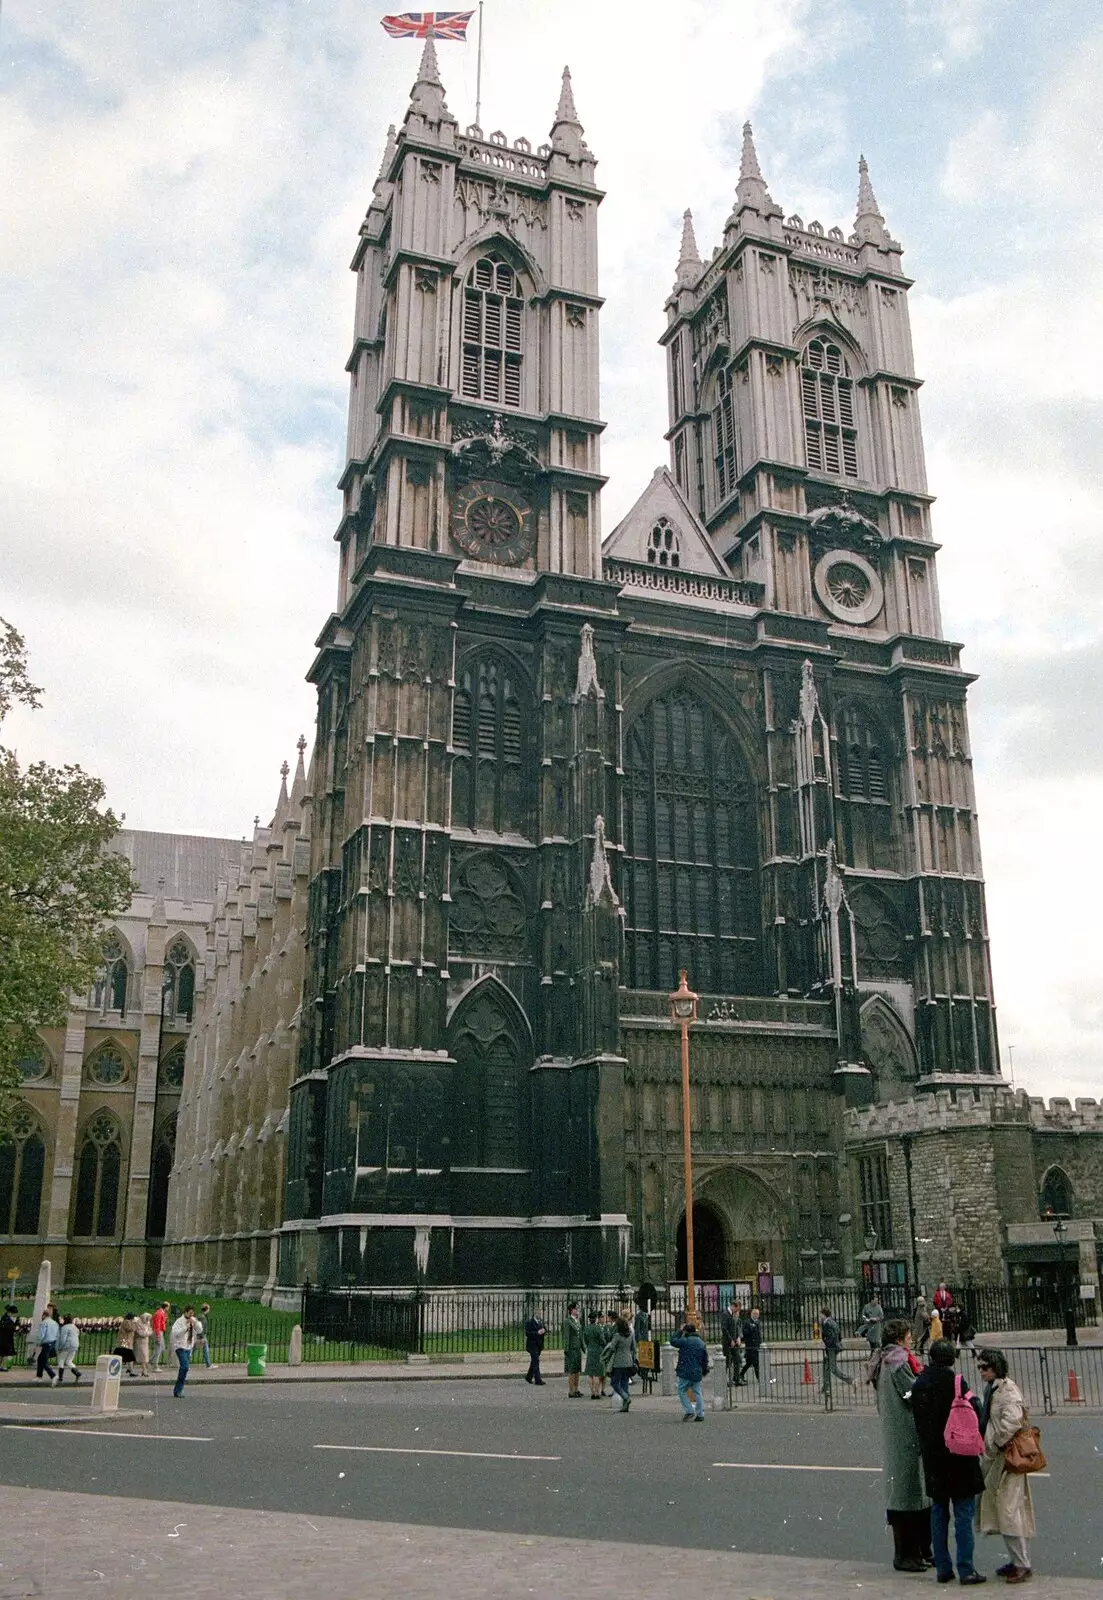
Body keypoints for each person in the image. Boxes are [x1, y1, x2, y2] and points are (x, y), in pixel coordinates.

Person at [911, 1338, 987, 1585]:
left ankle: (943, 1567)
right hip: (958, 1453)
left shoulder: (920, 1383)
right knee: (963, 1511)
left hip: (934, 1455)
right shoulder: (956, 1382)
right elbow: (976, 1407)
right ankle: (966, 1568)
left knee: (939, 1510)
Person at [867, 1317, 932, 1573]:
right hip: (906, 1433)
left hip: (894, 1432)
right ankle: (908, 1555)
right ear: (899, 1338)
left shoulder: (883, 1360)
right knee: (910, 1494)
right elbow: (911, 1394)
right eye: (907, 1335)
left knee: (904, 1493)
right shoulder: (899, 1363)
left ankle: (913, 1552)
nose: (911, 1338)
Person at [976, 1348, 1035, 1585]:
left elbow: (1012, 1421)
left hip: (1008, 1457)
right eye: (980, 1367)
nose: (981, 1372)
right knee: (1005, 1510)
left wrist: (996, 1442)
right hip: (998, 1457)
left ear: (996, 1368)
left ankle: (1022, 1564)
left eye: (985, 1368)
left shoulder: (1008, 1391)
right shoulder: (994, 1388)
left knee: (1009, 1511)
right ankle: (1018, 1560)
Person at [670, 1316, 709, 1422]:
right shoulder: (701, 1343)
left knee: (681, 1390)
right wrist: (704, 1369)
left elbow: (673, 1341)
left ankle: (689, 1410)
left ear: (686, 1331)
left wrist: (679, 1331)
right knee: (697, 1392)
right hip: (697, 1371)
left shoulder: (684, 1341)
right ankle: (700, 1413)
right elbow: (705, 1359)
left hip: (685, 1370)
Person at [602, 1313, 637, 1412]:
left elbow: (612, 1347)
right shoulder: (630, 1335)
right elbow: (634, 1348)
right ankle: (625, 1405)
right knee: (624, 1382)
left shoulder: (617, 1336)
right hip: (628, 1361)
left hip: (618, 1362)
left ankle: (625, 1398)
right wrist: (634, 1359)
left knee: (614, 1382)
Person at [820, 1306, 853, 1392]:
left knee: (833, 1369)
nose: (820, 1316)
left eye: (821, 1314)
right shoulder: (833, 1322)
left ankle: (850, 1380)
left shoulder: (827, 1323)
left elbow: (831, 1336)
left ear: (824, 1314)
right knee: (826, 1366)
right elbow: (839, 1335)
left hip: (831, 1348)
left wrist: (827, 1343)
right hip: (835, 1346)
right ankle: (825, 1386)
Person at [171, 1306, 198, 1398]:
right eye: (190, 1313)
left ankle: (178, 1390)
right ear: (185, 1312)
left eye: (192, 1313)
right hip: (180, 1346)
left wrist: (195, 1324)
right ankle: (178, 1390)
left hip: (188, 1346)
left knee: (185, 1368)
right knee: (184, 1366)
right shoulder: (179, 1321)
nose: (191, 1315)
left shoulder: (193, 1321)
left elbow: (198, 1331)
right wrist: (185, 1328)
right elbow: (175, 1333)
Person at [582, 1310, 605, 1400]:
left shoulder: (586, 1328)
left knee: (590, 1373)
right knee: (597, 1373)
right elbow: (602, 1340)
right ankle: (597, 1392)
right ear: (595, 1319)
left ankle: (592, 1392)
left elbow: (585, 1340)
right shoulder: (598, 1328)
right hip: (598, 1350)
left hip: (590, 1350)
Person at [563, 1301, 583, 1398]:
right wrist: (566, 1348)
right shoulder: (568, 1321)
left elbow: (580, 1334)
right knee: (572, 1370)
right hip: (571, 1348)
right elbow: (566, 1336)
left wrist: (583, 1346)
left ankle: (576, 1389)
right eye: (576, 1309)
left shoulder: (577, 1320)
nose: (577, 1310)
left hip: (577, 1348)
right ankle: (571, 1391)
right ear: (571, 1310)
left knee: (577, 1370)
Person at [55, 1316, 82, 1385]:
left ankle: (60, 1378)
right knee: (69, 1361)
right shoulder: (75, 1327)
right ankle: (77, 1373)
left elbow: (63, 1339)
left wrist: (60, 1347)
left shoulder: (65, 1327)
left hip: (67, 1346)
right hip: (75, 1346)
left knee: (61, 1360)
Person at [523, 1306, 546, 1386]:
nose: (540, 1314)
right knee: (536, 1361)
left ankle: (528, 1377)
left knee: (534, 1361)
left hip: (539, 1345)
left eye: (540, 1313)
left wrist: (544, 1331)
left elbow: (544, 1330)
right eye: (538, 1313)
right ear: (535, 1313)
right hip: (532, 1345)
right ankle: (538, 1380)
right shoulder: (529, 1322)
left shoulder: (541, 1322)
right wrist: (537, 1333)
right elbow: (528, 1333)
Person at [35, 1304, 59, 1382]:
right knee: (40, 1359)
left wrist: (38, 1343)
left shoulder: (44, 1323)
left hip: (46, 1344)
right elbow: (57, 1334)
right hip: (53, 1343)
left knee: (43, 1361)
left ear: (44, 1315)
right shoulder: (54, 1323)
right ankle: (39, 1376)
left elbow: (41, 1335)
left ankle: (53, 1375)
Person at [720, 1302, 743, 1385]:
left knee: (737, 1359)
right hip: (727, 1342)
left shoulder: (734, 1314)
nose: (737, 1311)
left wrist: (738, 1337)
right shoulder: (725, 1314)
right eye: (736, 1309)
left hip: (735, 1342)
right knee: (727, 1362)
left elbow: (738, 1326)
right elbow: (724, 1328)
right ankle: (725, 1380)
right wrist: (730, 1340)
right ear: (733, 1306)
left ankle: (736, 1379)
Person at [739, 1306, 763, 1384]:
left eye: (757, 1314)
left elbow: (759, 1334)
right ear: (751, 1314)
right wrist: (751, 1329)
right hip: (750, 1346)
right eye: (754, 1313)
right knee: (756, 1363)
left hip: (756, 1346)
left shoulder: (758, 1322)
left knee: (749, 1363)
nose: (756, 1315)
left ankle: (741, 1374)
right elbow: (744, 1333)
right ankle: (759, 1378)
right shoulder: (747, 1322)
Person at [858, 1291, 884, 1355]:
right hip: (869, 1325)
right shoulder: (866, 1307)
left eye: (877, 1301)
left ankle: (876, 1353)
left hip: (876, 1326)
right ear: (871, 1300)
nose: (876, 1302)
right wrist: (868, 1320)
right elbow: (863, 1315)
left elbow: (881, 1316)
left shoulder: (879, 1307)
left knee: (877, 1341)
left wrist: (877, 1319)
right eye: (875, 1300)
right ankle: (873, 1352)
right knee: (870, 1340)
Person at [114, 1312, 138, 1376]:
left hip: (126, 1340)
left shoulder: (127, 1321)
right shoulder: (127, 1322)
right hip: (125, 1341)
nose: (134, 1319)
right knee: (128, 1355)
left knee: (127, 1356)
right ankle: (130, 1371)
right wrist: (135, 1323)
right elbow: (130, 1329)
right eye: (134, 1317)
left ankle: (130, 1370)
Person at [194, 1302, 215, 1368]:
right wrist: (202, 1336)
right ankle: (208, 1364)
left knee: (196, 1348)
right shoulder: (202, 1317)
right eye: (209, 1308)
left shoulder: (200, 1316)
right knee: (203, 1349)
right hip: (202, 1335)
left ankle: (208, 1364)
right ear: (207, 1309)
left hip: (200, 1335)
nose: (209, 1310)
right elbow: (201, 1328)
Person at [0, 1304, 19, 1371]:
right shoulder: (8, 1320)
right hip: (7, 1339)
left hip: (2, 1338)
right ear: (10, 1312)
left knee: (2, 1353)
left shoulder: (3, 1317)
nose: (13, 1315)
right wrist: (16, 1326)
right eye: (13, 1313)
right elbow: (12, 1329)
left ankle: (1, 1366)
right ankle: (3, 1366)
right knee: (5, 1353)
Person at [134, 1311, 153, 1376]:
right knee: (143, 1356)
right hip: (140, 1341)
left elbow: (150, 1329)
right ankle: (144, 1371)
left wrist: (148, 1333)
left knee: (145, 1356)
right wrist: (148, 1333)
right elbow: (140, 1333)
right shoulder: (138, 1322)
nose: (148, 1320)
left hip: (145, 1341)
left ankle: (144, 1370)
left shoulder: (147, 1322)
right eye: (147, 1318)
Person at [151, 1302, 169, 1368]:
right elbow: (157, 1325)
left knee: (161, 1348)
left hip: (159, 1332)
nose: (168, 1309)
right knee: (159, 1348)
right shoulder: (160, 1313)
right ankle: (155, 1365)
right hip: (158, 1332)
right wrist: (158, 1335)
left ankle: (152, 1361)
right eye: (168, 1307)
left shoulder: (161, 1313)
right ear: (166, 1307)